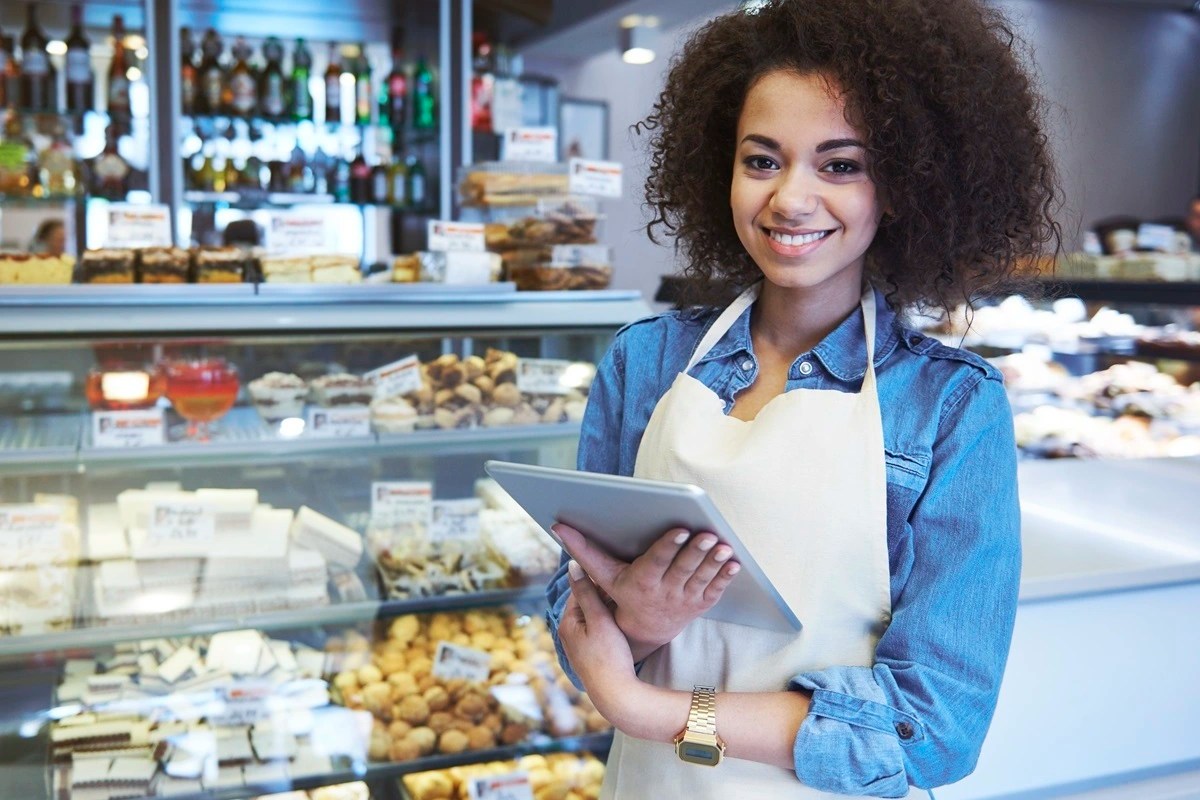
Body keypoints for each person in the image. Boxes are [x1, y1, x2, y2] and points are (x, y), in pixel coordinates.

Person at [544, 1, 1061, 798]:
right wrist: (643, 620)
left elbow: (933, 726)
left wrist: (649, 707)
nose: (790, 199)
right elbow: (573, 614)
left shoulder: (950, 408)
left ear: (903, 185)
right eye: (762, 160)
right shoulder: (644, 362)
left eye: (840, 165)